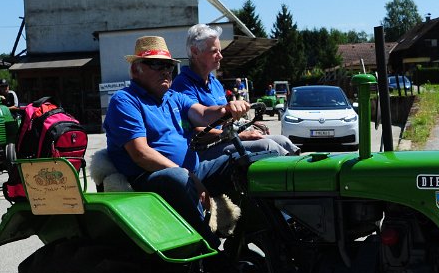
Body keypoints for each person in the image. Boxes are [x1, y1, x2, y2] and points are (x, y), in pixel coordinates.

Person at [103, 35, 251, 253]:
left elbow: (202, 114)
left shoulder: (172, 97)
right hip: (149, 180)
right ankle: (207, 248)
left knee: (244, 161)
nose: (166, 71)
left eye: (169, 65)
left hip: (192, 171)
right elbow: (141, 154)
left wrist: (227, 109)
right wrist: (189, 176)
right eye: (156, 64)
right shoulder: (125, 101)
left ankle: (251, 236)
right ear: (136, 70)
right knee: (178, 178)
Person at [171, 24, 299, 159]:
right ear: (195, 51)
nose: (220, 56)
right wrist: (239, 135)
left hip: (226, 139)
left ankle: (302, 176)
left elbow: (226, 120)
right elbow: (192, 132)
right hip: (203, 149)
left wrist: (247, 123)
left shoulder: (214, 82)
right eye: (214, 51)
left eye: (220, 51)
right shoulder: (183, 86)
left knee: (283, 141)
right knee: (267, 146)